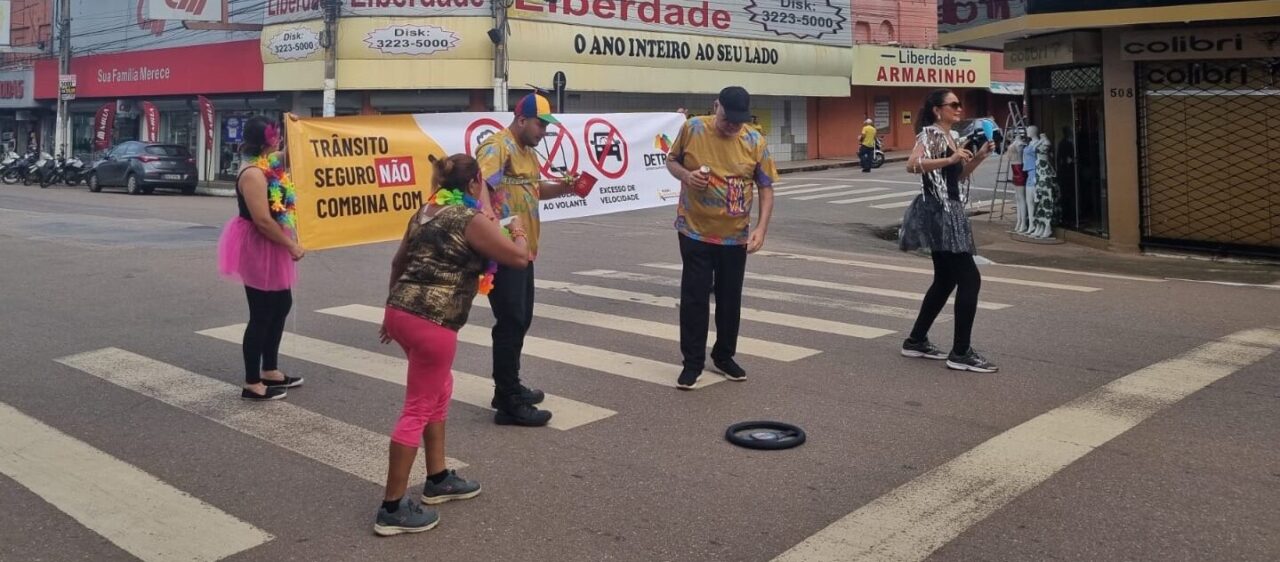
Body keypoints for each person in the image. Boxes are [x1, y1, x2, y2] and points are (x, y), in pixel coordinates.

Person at [374, 154, 530, 536]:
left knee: (440, 388)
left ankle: (438, 477)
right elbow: (518, 258)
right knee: (417, 407)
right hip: (433, 321)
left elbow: (397, 263)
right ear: (475, 182)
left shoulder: (425, 212)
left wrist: (390, 312)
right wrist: (519, 230)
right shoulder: (469, 219)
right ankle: (391, 508)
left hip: (401, 312)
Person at [476, 93, 583, 426]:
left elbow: (535, 191)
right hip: (503, 250)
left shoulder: (527, 152)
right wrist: (490, 222)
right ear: (521, 120)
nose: (544, 132)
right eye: (540, 124)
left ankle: (508, 386)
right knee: (510, 321)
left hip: (524, 250)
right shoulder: (498, 146)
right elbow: (479, 186)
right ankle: (508, 403)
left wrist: (566, 187)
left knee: (520, 320)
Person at [664, 86, 778, 390]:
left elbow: (766, 188)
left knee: (730, 299)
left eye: (739, 121)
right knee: (695, 297)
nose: (732, 126)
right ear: (716, 106)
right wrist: (687, 176)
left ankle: (724, 356)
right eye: (728, 119)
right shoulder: (693, 129)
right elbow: (671, 161)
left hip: (735, 236)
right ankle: (692, 363)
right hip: (694, 230)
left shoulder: (754, 140)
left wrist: (761, 229)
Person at [898, 89, 998, 373]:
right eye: (953, 104)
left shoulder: (951, 136)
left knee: (945, 280)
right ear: (937, 110)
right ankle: (961, 352)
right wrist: (950, 159)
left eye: (959, 104)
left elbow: (957, 176)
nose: (959, 108)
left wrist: (978, 157)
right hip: (940, 211)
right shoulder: (931, 134)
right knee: (970, 279)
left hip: (947, 210)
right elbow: (912, 165)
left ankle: (916, 340)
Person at [216, 116, 306, 400]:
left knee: (281, 304)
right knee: (262, 312)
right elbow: (263, 221)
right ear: (264, 140)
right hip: (258, 244)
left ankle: (270, 370)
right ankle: (252, 383)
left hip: (272, 244)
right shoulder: (253, 173)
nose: (278, 139)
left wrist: (297, 128)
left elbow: (290, 155)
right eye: (274, 135)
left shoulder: (269, 163)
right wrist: (291, 245)